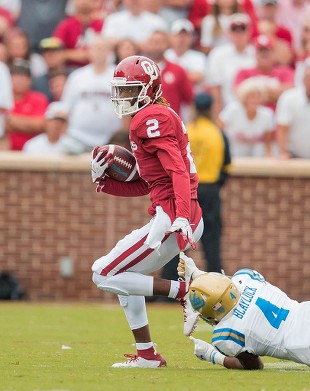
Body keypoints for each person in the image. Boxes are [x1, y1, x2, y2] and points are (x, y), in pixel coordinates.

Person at [91, 55, 204, 368]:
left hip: (175, 216)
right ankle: (147, 354)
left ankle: (184, 291)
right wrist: (105, 184)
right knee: (125, 277)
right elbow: (149, 183)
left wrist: (180, 216)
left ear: (147, 89)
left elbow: (178, 170)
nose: (122, 97)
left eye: (128, 91)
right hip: (173, 211)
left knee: (103, 273)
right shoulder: (148, 116)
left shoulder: (149, 118)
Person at [178, 252, 310, 369]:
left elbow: (254, 365)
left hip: (300, 343)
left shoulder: (224, 335)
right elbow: (227, 282)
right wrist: (197, 274)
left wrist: (212, 355)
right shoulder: (246, 278)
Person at [161, 92, 231, 283]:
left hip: (184, 188)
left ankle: (170, 283)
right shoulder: (218, 133)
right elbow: (226, 167)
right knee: (211, 239)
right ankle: (216, 282)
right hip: (209, 189)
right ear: (210, 109)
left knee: (177, 238)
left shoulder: (185, 129)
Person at [61, 36, 121, 152]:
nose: (99, 52)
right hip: (78, 138)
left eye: (103, 48)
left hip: (112, 141)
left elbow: (126, 110)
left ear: (110, 52)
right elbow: (66, 108)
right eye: (96, 48)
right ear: (89, 52)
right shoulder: (77, 76)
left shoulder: (118, 76)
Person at [219, 77, 275, 157]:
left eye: (258, 97)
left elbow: (267, 142)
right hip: (232, 156)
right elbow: (219, 132)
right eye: (251, 97)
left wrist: (268, 158)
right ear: (244, 98)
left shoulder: (267, 115)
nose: (255, 100)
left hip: (256, 159)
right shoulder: (233, 109)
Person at [5, 58, 48, 151]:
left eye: (24, 76)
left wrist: (9, 119)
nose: (20, 80)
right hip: (5, 152)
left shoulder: (39, 98)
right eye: (16, 75)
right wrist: (26, 125)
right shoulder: (3, 99)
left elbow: (40, 125)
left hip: (33, 154)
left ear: (30, 80)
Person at [275, 57, 310, 159]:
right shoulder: (289, 97)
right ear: (303, 78)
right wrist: (283, 152)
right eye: (308, 77)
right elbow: (282, 128)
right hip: (294, 156)